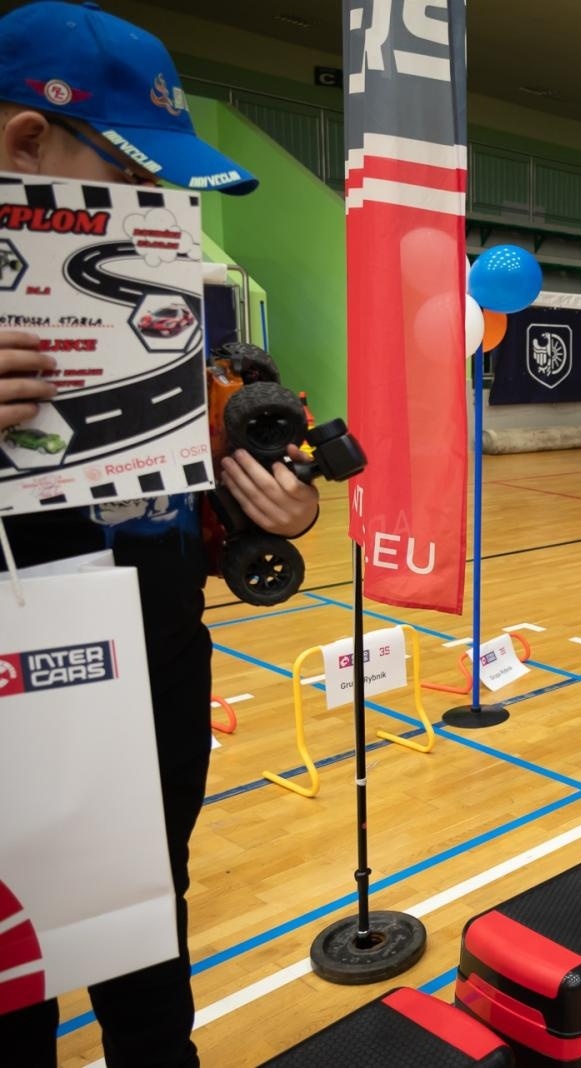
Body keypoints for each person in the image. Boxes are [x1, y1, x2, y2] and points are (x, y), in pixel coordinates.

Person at [0, 4, 319, 1065]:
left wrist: (261, 516)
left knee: (146, 917)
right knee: (11, 968)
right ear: (25, 143)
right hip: (14, 688)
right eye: (140, 177)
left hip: (154, 666)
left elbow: (170, 506)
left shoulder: (146, 291)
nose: (163, 209)